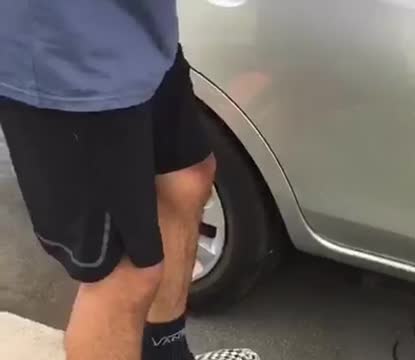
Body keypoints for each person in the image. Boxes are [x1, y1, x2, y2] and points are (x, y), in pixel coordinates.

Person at [0, 2, 259, 360]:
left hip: (139, 34)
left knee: (187, 181)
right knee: (124, 275)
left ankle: (167, 356)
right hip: (67, 59)